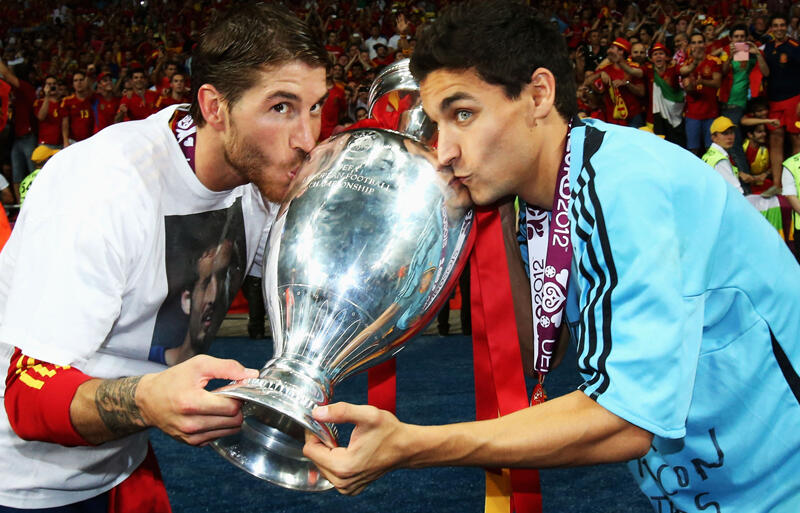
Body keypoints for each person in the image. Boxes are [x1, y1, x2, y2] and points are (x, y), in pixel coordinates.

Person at [302, 2, 800, 512]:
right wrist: (497, 222)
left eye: (463, 114)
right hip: (709, 493)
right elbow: (542, 351)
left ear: (539, 95)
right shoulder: (546, 199)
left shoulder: (624, 183)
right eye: (437, 124)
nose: (444, 151)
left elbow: (626, 421)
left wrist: (415, 446)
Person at [0, 4, 328, 511]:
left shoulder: (259, 179)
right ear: (214, 107)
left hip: (119, 458)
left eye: (315, 106)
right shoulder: (106, 186)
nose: (307, 139)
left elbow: (313, 280)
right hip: (22, 479)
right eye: (281, 107)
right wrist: (147, 400)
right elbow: (26, 399)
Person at [762, 13, 800, 197]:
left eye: (782, 25)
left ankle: (796, 183)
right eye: (775, 25)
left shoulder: (795, 47)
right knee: (775, 140)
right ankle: (777, 184)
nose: (779, 28)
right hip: (774, 100)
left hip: (794, 99)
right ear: (771, 28)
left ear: (787, 27)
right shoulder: (768, 47)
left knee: (796, 140)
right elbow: (766, 73)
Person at [681, 33, 722, 156]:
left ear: (705, 44)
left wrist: (702, 81)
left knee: (712, 149)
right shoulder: (687, 64)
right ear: (690, 46)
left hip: (711, 112)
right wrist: (690, 85)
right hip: (692, 113)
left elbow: (717, 83)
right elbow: (687, 89)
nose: (697, 45)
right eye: (694, 43)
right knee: (692, 150)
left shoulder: (714, 61)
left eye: (700, 42)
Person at [60, 70, 95, 147]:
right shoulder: (67, 101)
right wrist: (65, 141)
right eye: (75, 80)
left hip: (91, 140)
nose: (79, 83)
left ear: (86, 82)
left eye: (81, 80)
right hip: (73, 141)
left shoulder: (93, 98)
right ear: (73, 84)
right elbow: (65, 123)